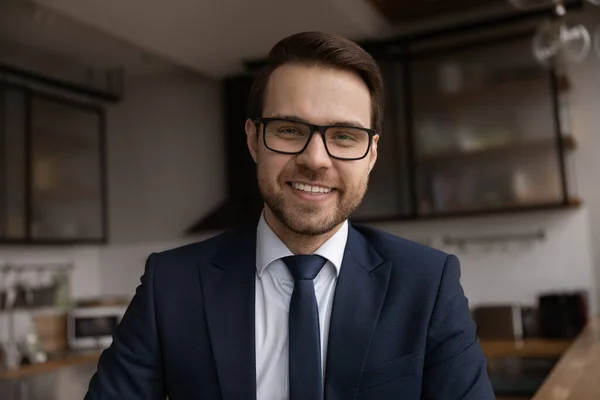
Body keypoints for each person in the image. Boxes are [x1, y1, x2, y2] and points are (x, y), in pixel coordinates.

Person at [84, 31, 494, 400]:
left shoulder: (427, 283)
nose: (315, 160)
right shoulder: (170, 285)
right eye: (289, 130)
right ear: (253, 140)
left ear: (371, 155)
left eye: (344, 136)